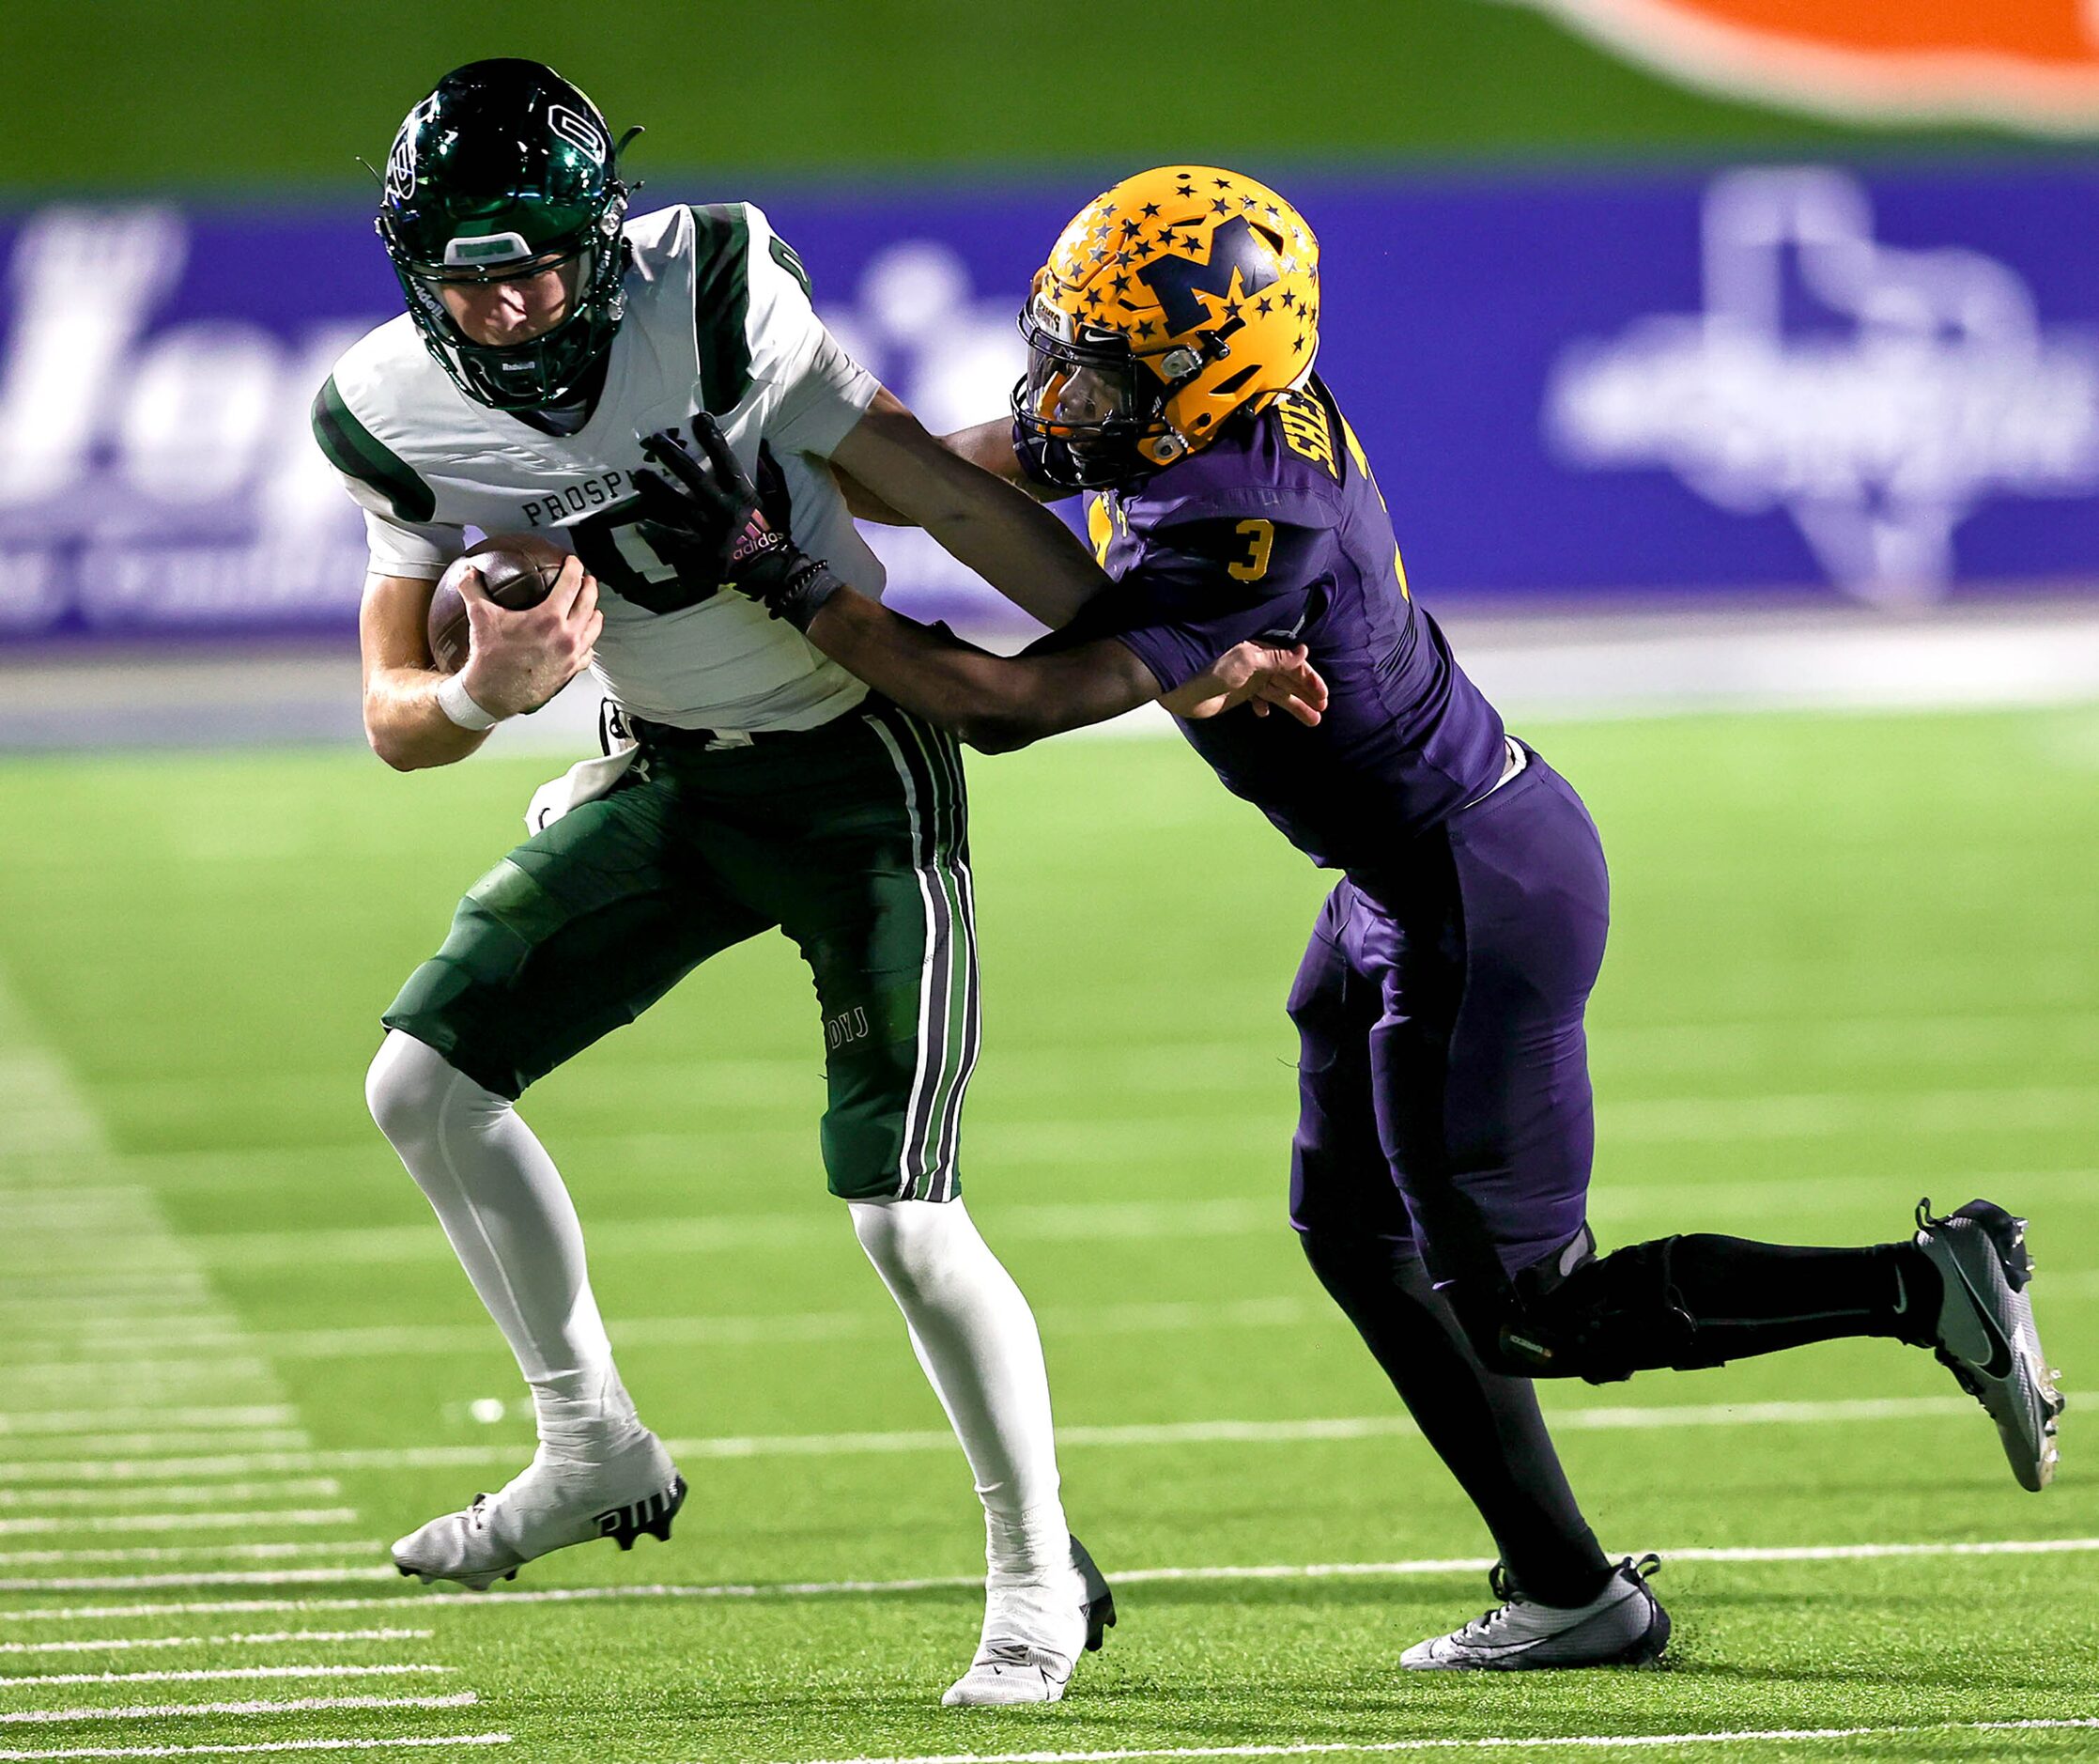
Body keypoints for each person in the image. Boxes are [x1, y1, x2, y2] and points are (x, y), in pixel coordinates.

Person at [634, 163, 2067, 1671]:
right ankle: (1570, 1585)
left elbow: (1004, 702)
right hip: (1413, 872)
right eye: (1061, 347)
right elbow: (953, 474)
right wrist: (762, 442)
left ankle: (1923, 1285)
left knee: (1533, 1311)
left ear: (1204, 376)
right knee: (1354, 1233)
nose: (1062, 394)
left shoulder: (1246, 515)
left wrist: (774, 570)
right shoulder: (1201, 415)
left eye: (1100, 372)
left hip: (1470, 887)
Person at [314, 69, 1317, 1706]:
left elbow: (930, 487)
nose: (501, 310)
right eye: (464, 276)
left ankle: (1034, 1569)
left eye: (535, 268)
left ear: (601, 239)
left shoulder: (710, 290)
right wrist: (493, 693)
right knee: (418, 1084)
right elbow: (393, 720)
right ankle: (591, 1443)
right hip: (668, 773)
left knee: (903, 1216)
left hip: (855, 766)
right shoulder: (386, 405)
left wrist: (1171, 666)